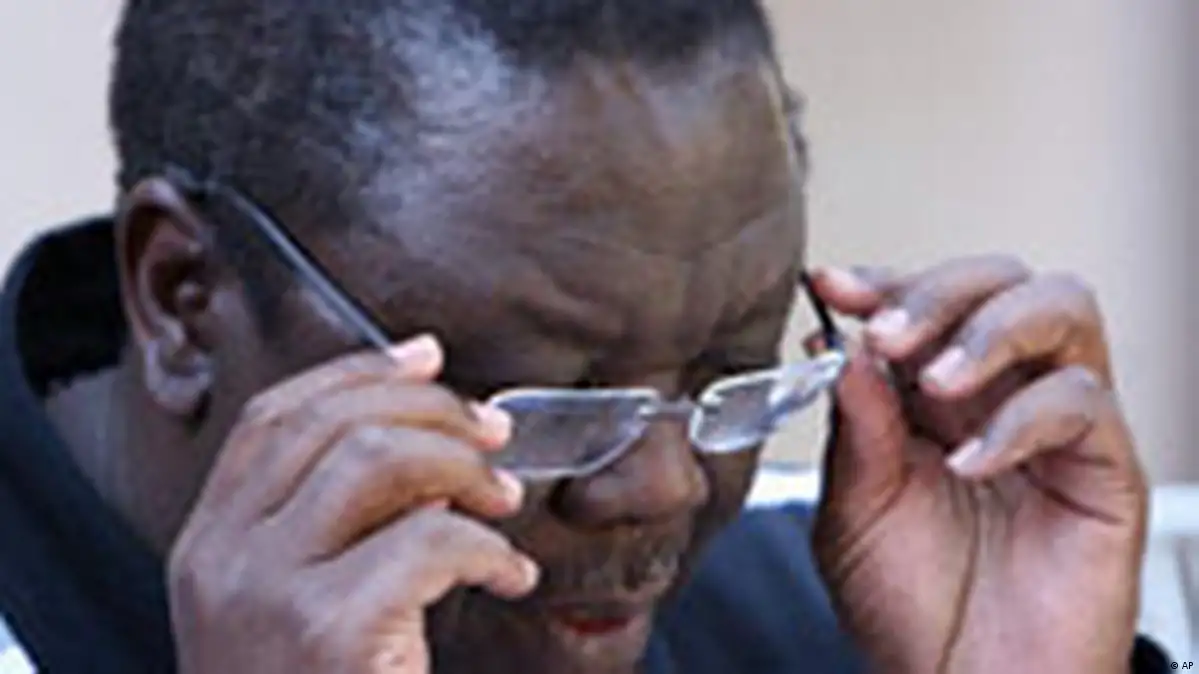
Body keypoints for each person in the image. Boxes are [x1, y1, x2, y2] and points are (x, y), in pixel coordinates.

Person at [0, 0, 1174, 672]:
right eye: (545, 401)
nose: (662, 485)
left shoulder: (851, 605)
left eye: (730, 370)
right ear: (183, 298)